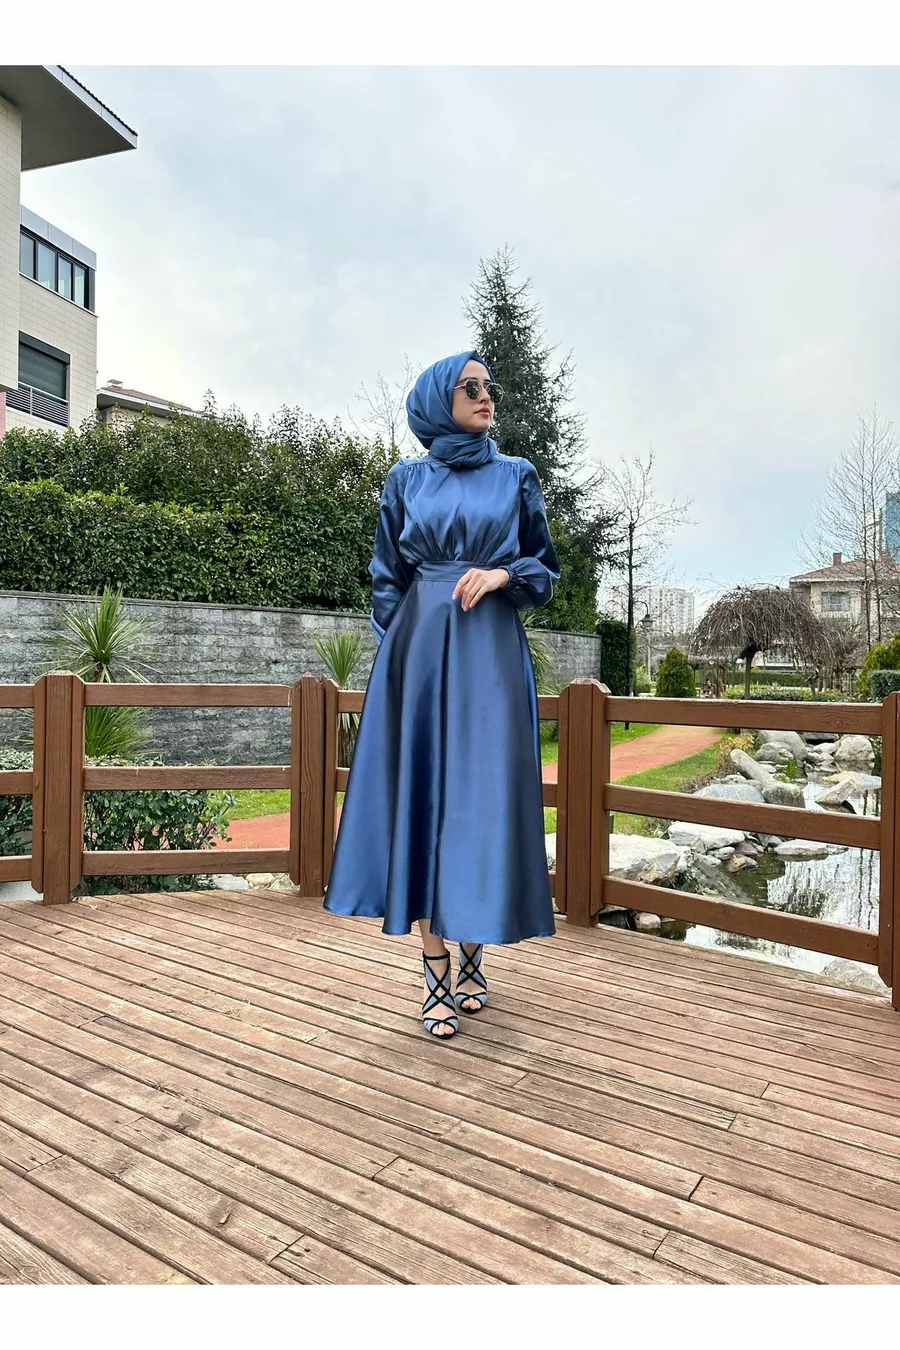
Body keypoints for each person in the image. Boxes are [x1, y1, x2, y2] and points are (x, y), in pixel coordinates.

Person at [323, 350, 561, 1040]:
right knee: (423, 803)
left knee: (479, 803)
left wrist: (503, 574)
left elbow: (545, 570)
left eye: (490, 386)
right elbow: (386, 577)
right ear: (439, 399)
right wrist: (401, 658)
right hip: (420, 656)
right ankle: (435, 975)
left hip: (490, 654)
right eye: (471, 386)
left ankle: (474, 958)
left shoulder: (516, 475)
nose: (487, 395)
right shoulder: (405, 479)